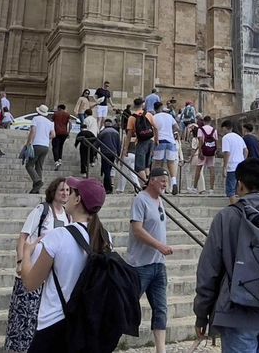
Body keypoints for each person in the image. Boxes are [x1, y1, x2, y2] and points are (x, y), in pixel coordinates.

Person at [194, 159, 259, 352]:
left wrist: (201, 313)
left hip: (236, 311)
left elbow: (209, 270)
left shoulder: (227, 217)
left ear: (240, 185)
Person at [21, 177, 113, 350]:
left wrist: (26, 253)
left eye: (71, 193)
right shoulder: (106, 237)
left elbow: (30, 283)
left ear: (78, 200)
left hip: (54, 321)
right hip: (85, 322)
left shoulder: (59, 236)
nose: (67, 197)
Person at [5, 179, 69, 353]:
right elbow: (23, 238)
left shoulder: (67, 216)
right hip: (30, 271)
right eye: (61, 190)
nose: (65, 193)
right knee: (22, 320)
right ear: (54, 191)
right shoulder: (42, 210)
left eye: (68, 190)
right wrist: (20, 261)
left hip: (49, 277)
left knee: (37, 322)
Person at [130, 168, 174, 353]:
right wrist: (159, 246)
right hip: (141, 265)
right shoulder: (141, 199)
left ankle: (160, 349)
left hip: (158, 264)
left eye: (167, 181)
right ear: (152, 181)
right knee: (128, 304)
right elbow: (137, 229)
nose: (165, 184)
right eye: (163, 180)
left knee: (161, 308)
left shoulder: (160, 200)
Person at [23, 105, 55, 194]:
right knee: (39, 167)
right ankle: (36, 189)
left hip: (36, 144)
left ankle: (37, 181)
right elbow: (53, 135)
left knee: (29, 165)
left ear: (38, 112)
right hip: (45, 146)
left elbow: (33, 131)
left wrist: (29, 143)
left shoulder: (36, 119)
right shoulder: (50, 122)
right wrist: (45, 137)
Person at [151, 101, 180, 195]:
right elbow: (177, 127)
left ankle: (157, 185)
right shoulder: (169, 116)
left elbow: (152, 129)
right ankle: (174, 182)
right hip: (170, 141)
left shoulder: (154, 117)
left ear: (154, 109)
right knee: (171, 163)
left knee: (158, 164)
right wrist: (170, 132)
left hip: (160, 141)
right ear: (162, 107)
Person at [126, 98, 155, 183]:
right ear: (143, 104)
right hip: (151, 140)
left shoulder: (132, 117)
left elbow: (129, 135)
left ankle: (146, 184)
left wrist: (125, 149)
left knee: (139, 167)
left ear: (134, 105)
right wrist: (157, 140)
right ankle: (149, 181)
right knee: (147, 165)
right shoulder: (149, 115)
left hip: (141, 142)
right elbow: (155, 128)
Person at [220, 120, 248, 205]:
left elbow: (227, 152)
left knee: (230, 190)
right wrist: (243, 160)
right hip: (240, 166)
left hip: (232, 166)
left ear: (225, 128)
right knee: (238, 189)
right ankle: (240, 207)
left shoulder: (226, 138)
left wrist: (224, 167)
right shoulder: (239, 137)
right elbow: (246, 150)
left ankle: (235, 208)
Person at [191, 117, 219, 193]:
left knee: (198, 169)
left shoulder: (201, 129)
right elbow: (216, 141)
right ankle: (211, 189)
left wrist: (200, 152)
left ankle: (195, 187)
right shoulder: (214, 130)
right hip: (211, 151)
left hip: (204, 151)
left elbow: (200, 141)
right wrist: (215, 151)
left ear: (204, 121)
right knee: (211, 169)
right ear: (210, 121)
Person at [97, 120, 123, 194]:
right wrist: (118, 155)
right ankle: (108, 186)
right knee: (109, 168)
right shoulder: (116, 132)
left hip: (105, 153)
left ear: (105, 125)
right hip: (113, 153)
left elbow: (97, 143)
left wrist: (93, 154)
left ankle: (108, 188)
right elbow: (119, 145)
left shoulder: (103, 132)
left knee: (106, 170)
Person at [74, 110, 98, 177]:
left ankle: (84, 171)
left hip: (84, 142)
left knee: (83, 157)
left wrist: (76, 144)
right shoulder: (94, 119)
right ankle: (92, 161)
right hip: (93, 137)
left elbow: (77, 139)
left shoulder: (86, 120)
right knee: (91, 151)